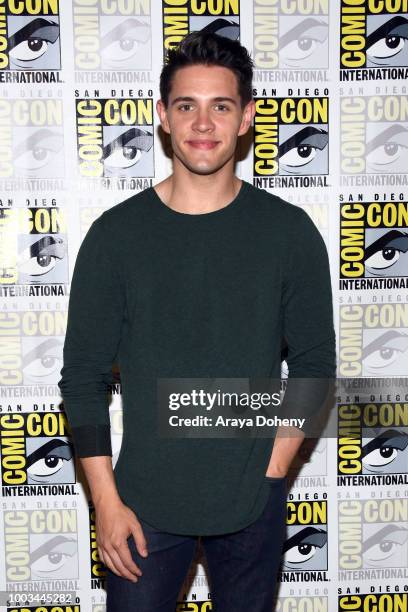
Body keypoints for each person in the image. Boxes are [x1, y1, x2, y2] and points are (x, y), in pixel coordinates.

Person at [58, 31, 336, 612]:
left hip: (251, 503)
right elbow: (83, 378)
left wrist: (272, 472)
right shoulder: (116, 237)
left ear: (246, 119)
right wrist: (105, 504)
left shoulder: (289, 233)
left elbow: (314, 365)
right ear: (163, 117)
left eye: (221, 106)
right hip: (141, 508)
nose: (203, 123)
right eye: (187, 105)